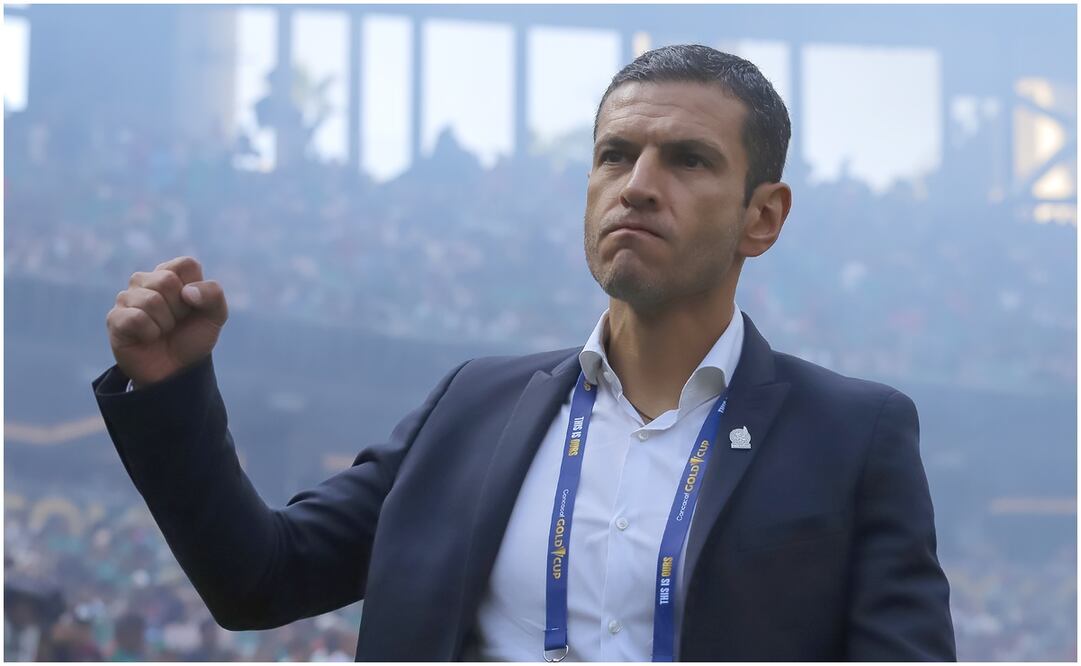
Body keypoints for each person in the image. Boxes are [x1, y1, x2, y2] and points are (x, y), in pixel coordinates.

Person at [92, 45, 955, 661]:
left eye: (686, 160)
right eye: (615, 155)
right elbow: (261, 580)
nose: (638, 184)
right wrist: (169, 390)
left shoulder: (852, 436)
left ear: (760, 216)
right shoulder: (472, 405)